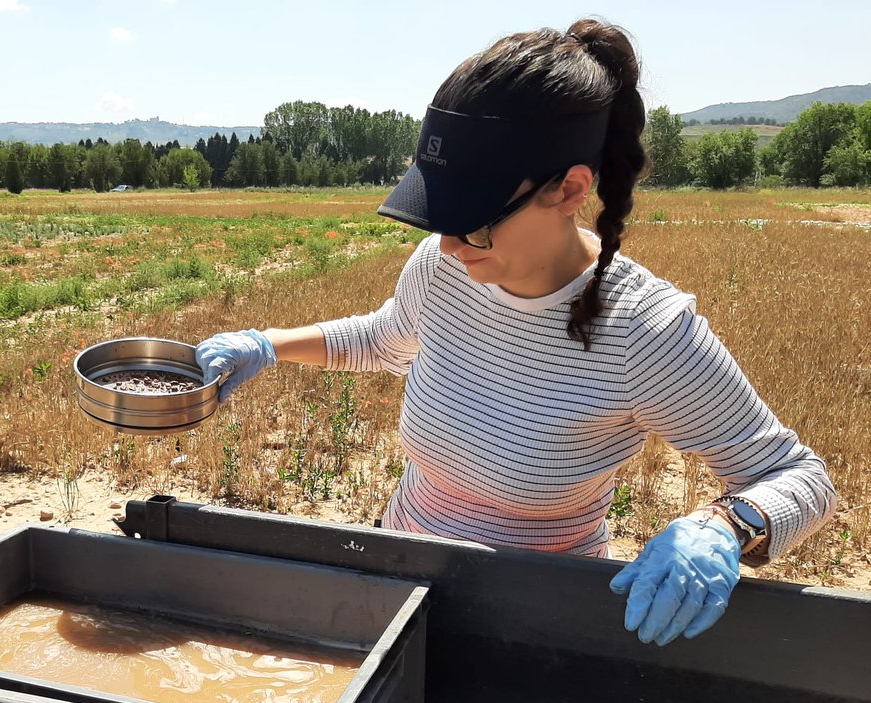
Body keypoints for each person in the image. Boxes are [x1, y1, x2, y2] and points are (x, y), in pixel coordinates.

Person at [195, 19, 836, 646]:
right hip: (401, 583)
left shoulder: (646, 331)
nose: (447, 248)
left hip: (535, 619)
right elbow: (387, 336)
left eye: (474, 225)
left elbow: (800, 477)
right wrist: (269, 343)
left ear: (570, 189)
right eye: (439, 219)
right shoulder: (446, 268)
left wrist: (725, 524)